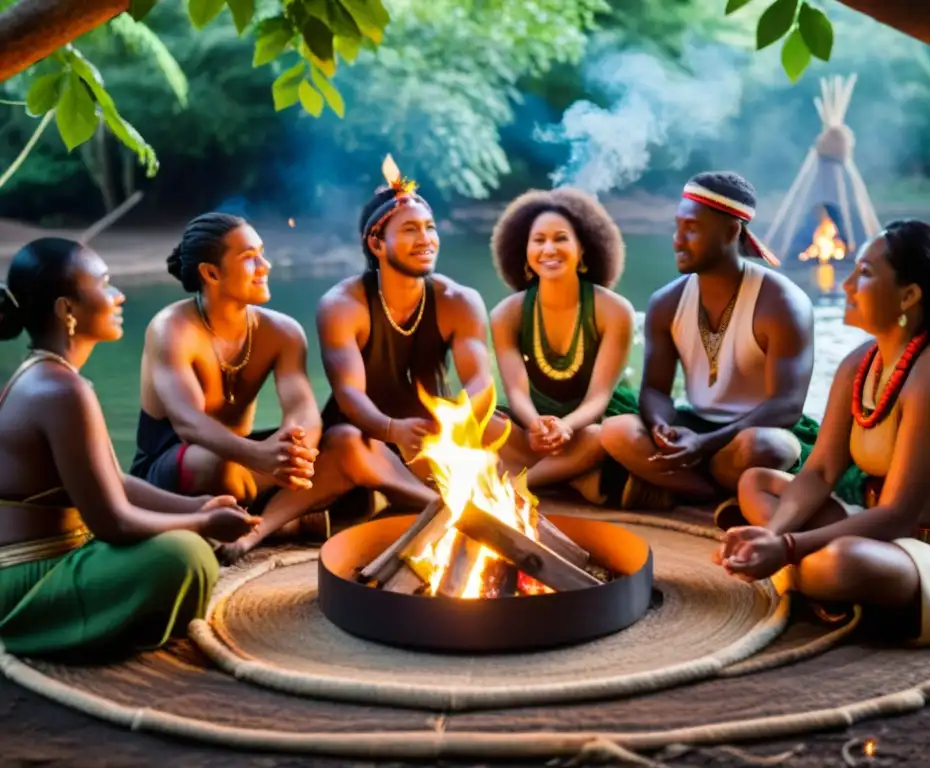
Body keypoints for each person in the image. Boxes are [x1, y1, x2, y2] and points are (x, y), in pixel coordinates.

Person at [718, 221, 930, 646]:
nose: (847, 285)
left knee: (841, 564)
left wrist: (787, 547)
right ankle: (808, 573)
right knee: (757, 483)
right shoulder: (859, 364)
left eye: (864, 272)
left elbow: (899, 514)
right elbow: (821, 472)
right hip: (882, 531)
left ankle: (812, 575)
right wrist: (775, 534)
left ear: (909, 295)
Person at [0, 238, 256, 659]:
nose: (120, 295)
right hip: (30, 584)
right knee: (183, 555)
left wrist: (198, 508)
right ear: (67, 310)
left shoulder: (54, 377)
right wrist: (201, 526)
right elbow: (112, 523)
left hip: (61, 555)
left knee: (184, 542)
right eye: (105, 284)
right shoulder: (59, 390)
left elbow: (115, 482)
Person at [129, 213, 355, 563]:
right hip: (174, 468)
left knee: (345, 447)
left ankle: (257, 526)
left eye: (262, 253)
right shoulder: (171, 329)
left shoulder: (283, 331)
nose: (265, 265)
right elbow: (189, 424)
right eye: (249, 257)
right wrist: (261, 457)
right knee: (220, 466)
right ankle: (285, 520)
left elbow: (303, 409)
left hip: (247, 463)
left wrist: (297, 448)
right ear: (211, 273)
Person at [600, 171, 820, 511]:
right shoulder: (666, 302)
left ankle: (675, 487)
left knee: (769, 448)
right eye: (677, 227)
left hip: (753, 431)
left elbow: (786, 407)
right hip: (695, 427)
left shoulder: (782, 304)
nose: (677, 239)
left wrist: (704, 445)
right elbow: (656, 391)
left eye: (692, 229)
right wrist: (660, 427)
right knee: (616, 431)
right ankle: (712, 496)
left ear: (732, 232)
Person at [315, 155, 507, 511]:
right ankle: (420, 500)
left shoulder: (459, 301)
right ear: (376, 244)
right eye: (410, 230)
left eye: (430, 227)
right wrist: (392, 430)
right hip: (366, 434)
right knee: (351, 447)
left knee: (497, 431)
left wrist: (459, 419)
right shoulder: (342, 305)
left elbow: (481, 381)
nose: (426, 240)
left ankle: (422, 499)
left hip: (431, 435)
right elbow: (349, 394)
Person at [489, 188, 638, 504]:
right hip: (534, 427)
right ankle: (573, 476)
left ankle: (517, 486)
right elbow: (516, 391)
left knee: (602, 437)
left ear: (583, 249)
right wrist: (534, 424)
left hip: (588, 424)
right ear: (524, 250)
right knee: (483, 424)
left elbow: (599, 396)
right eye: (538, 240)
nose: (549, 249)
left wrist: (567, 427)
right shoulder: (507, 314)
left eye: (560, 238)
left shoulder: (614, 311)